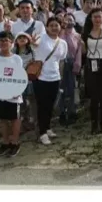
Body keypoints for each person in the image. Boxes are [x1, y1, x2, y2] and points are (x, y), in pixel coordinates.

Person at [31, 16, 68, 145]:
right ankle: (42, 133)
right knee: (42, 106)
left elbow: (61, 61)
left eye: (56, 25)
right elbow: (34, 44)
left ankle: (47, 127)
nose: (54, 27)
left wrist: (61, 76)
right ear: (47, 27)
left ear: (60, 27)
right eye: (51, 25)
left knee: (51, 105)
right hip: (41, 77)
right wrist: (33, 43)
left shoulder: (62, 43)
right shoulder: (41, 38)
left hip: (55, 77)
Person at [0, 31, 24, 157]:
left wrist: (17, 91)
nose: (4, 43)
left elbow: (20, 76)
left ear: (12, 43)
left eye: (7, 40)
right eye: (1, 41)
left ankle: (15, 142)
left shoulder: (17, 59)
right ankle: (5, 142)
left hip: (13, 95)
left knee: (15, 118)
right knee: (2, 119)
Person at [82, 8, 102, 134]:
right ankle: (94, 123)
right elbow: (84, 52)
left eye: (99, 17)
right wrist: (82, 45)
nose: (97, 19)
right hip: (91, 64)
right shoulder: (86, 32)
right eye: (95, 17)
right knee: (94, 97)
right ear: (91, 18)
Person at [58, 14, 82, 126]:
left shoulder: (77, 35)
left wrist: (78, 64)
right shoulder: (59, 34)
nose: (69, 21)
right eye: (66, 19)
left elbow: (79, 51)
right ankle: (61, 112)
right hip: (61, 64)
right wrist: (63, 29)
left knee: (72, 89)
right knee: (61, 89)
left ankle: (72, 111)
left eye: (71, 19)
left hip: (73, 63)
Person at [13, 32, 36, 131]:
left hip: (30, 79)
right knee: (20, 102)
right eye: (19, 38)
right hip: (18, 81)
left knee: (32, 100)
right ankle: (23, 122)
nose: (22, 39)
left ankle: (33, 121)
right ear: (16, 41)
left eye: (24, 37)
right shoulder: (13, 52)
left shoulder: (33, 51)